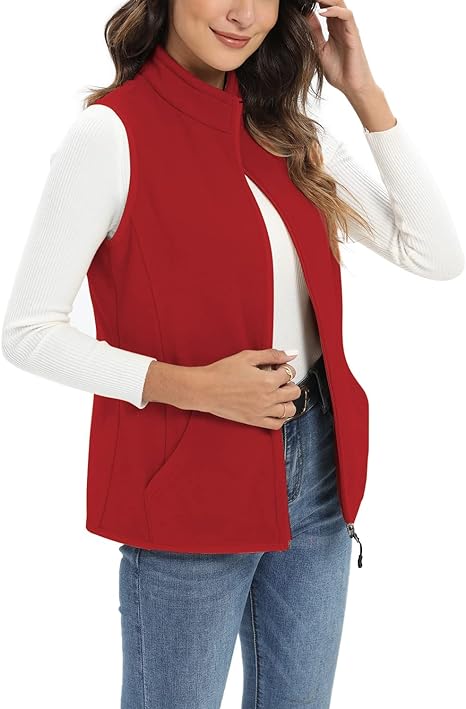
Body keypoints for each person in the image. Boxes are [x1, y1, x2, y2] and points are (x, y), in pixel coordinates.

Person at [2, 1, 464, 707]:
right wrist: (194, 386)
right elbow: (28, 329)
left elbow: (434, 253)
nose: (243, 14)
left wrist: (363, 92)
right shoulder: (111, 134)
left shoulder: (287, 131)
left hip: (317, 468)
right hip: (189, 474)